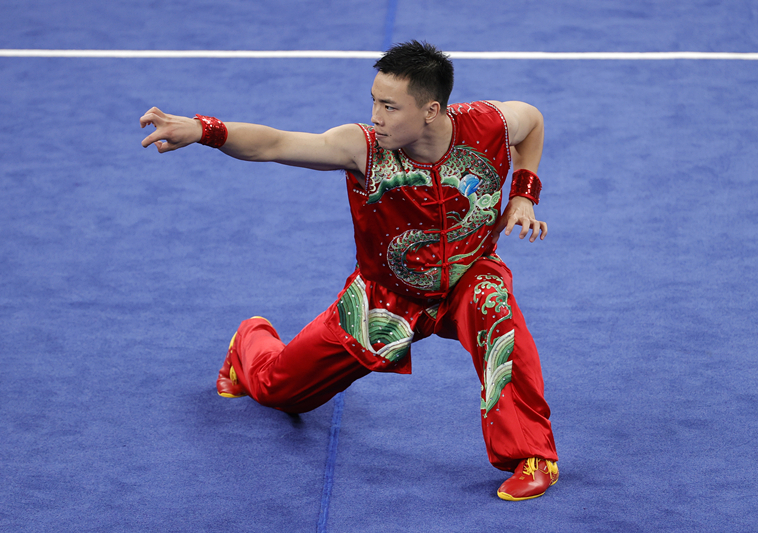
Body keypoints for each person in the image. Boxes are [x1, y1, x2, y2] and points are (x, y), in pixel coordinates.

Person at [140, 40, 558, 501]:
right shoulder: (362, 148)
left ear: (431, 110)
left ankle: (532, 456)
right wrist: (204, 129)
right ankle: (249, 341)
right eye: (374, 101)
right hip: (383, 301)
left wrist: (524, 194)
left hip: (468, 275)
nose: (375, 116)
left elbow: (533, 121)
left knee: (494, 306)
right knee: (281, 393)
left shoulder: (490, 124)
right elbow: (275, 144)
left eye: (389, 106)